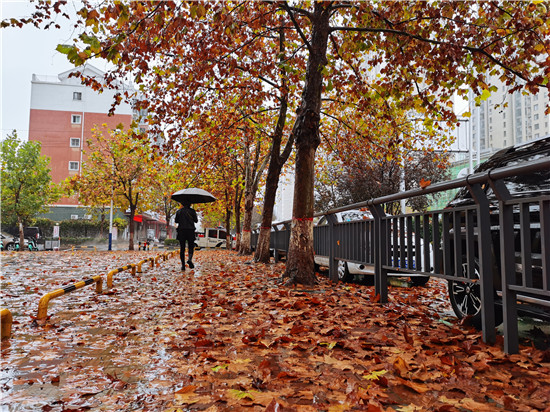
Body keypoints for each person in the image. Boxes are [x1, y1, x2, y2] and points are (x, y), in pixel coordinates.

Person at [175, 202, 198, 270]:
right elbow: (196, 221)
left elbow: (176, 221)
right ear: (190, 204)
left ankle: (183, 265)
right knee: (191, 246)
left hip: (181, 231)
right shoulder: (192, 211)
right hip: (190, 231)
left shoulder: (179, 211)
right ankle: (190, 259)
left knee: (182, 248)